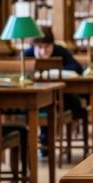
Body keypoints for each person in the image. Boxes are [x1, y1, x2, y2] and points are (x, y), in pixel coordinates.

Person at [25, 26, 86, 157]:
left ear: (52, 45)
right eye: (39, 47)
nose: (43, 51)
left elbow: (77, 68)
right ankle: (43, 143)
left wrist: (55, 71)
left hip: (62, 97)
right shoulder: (27, 55)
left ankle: (47, 141)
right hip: (37, 99)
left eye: (47, 47)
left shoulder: (60, 51)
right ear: (34, 46)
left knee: (68, 102)